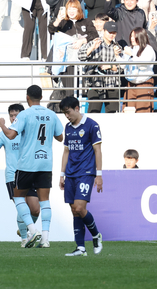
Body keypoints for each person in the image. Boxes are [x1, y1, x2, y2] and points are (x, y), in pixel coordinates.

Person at [0, 85, 64, 248]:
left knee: (18, 196)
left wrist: (2, 125)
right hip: (45, 163)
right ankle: (46, 239)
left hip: (27, 163)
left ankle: (33, 230)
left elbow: (11, 135)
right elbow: (60, 137)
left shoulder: (24, 114)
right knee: (45, 201)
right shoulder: (51, 114)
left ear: (27, 97)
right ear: (41, 97)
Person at [0, 104, 40, 248]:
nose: (13, 118)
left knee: (35, 209)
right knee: (21, 206)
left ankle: (23, 229)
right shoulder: (5, 134)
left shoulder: (29, 132)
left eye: (16, 115)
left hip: (28, 175)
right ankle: (25, 239)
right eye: (11, 115)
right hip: (12, 176)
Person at [59, 96, 103, 257]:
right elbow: (66, 151)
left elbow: (98, 151)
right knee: (74, 210)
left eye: (68, 112)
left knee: (79, 207)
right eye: (64, 113)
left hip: (86, 172)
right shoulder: (68, 127)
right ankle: (80, 248)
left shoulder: (92, 125)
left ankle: (96, 235)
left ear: (77, 108)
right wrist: (62, 174)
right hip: (70, 173)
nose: (67, 116)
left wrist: (99, 175)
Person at [49, 0, 98, 98]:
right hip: (68, 62)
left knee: (84, 92)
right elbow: (51, 30)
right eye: (69, 9)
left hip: (84, 60)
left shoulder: (86, 21)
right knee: (70, 93)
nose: (71, 11)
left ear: (79, 9)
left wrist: (83, 40)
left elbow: (94, 35)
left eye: (74, 8)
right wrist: (58, 19)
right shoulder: (63, 23)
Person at [78, 21, 122, 113]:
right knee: (93, 112)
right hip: (95, 83)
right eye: (109, 32)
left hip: (112, 83)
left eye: (114, 32)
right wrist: (92, 48)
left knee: (113, 114)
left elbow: (121, 68)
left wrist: (108, 66)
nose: (111, 35)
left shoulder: (117, 47)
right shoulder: (95, 42)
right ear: (104, 31)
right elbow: (80, 56)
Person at [122, 27, 156, 113]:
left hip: (144, 83)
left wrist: (131, 54)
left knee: (143, 112)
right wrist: (117, 55)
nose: (132, 38)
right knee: (128, 112)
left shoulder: (148, 49)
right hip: (130, 84)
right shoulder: (130, 49)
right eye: (131, 36)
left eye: (134, 36)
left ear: (141, 36)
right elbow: (122, 65)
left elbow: (144, 64)